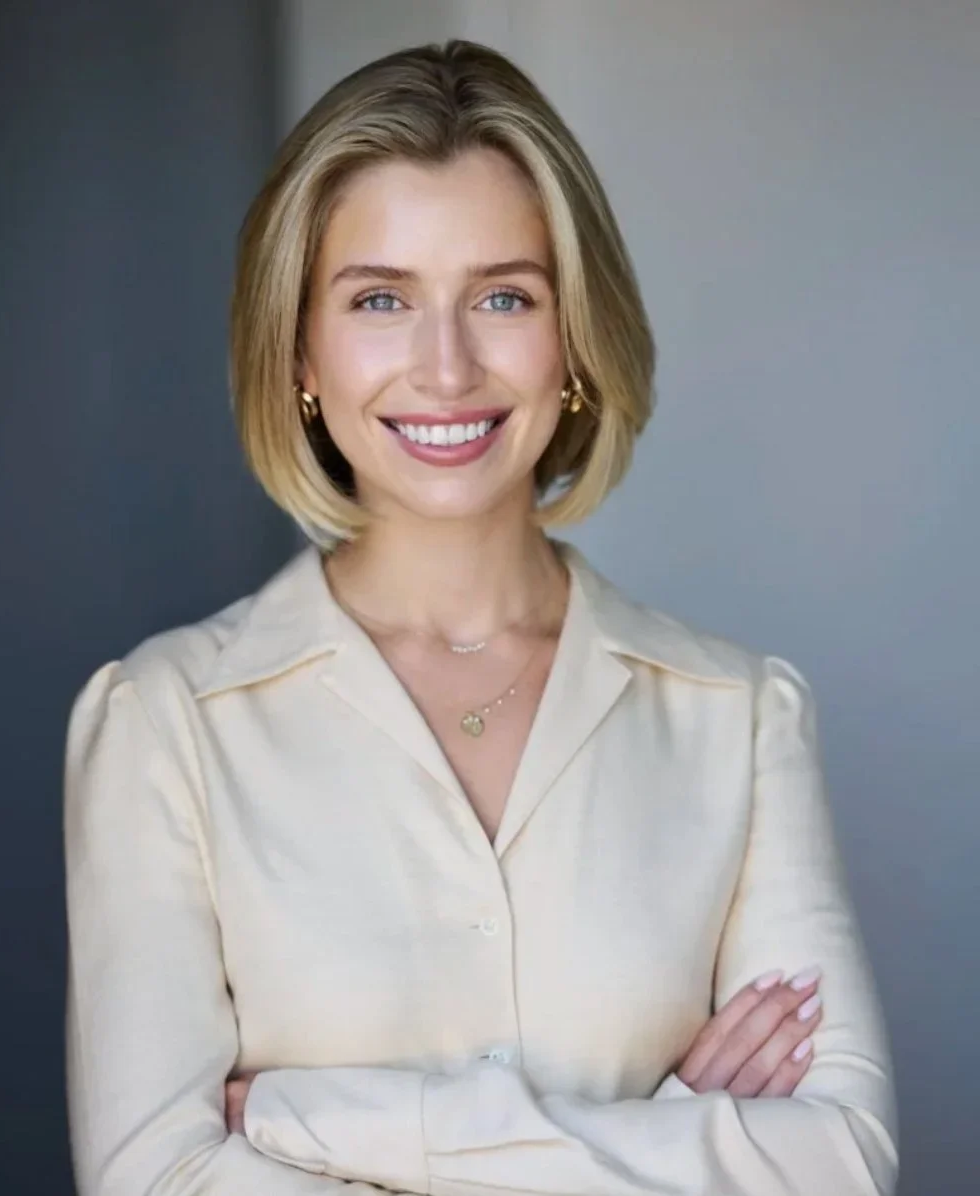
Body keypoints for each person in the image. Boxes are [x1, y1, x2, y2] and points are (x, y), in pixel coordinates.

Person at [63, 38, 898, 1196]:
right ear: (300, 348)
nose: (445, 365)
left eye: (504, 295)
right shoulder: (164, 725)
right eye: (380, 299)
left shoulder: (741, 719)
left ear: (574, 341)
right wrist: (672, 1135)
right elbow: (157, 1182)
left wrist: (333, 1123)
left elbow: (839, 1161)